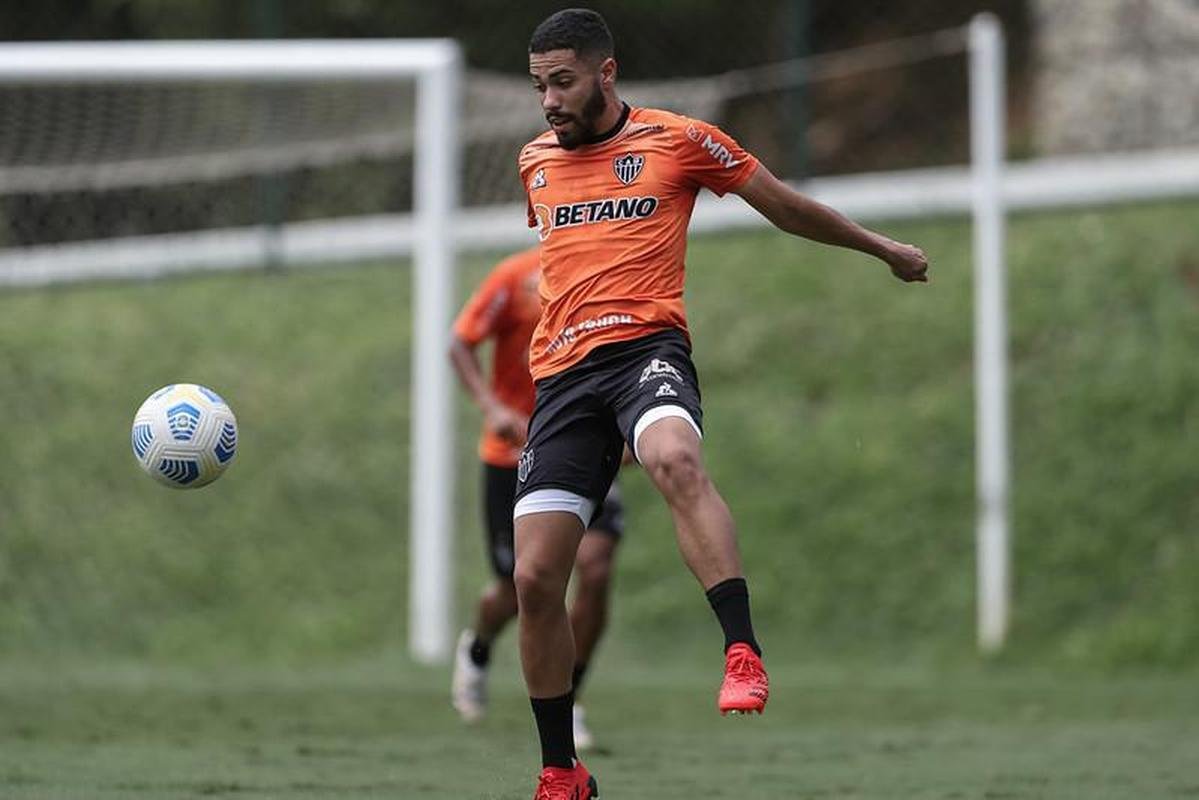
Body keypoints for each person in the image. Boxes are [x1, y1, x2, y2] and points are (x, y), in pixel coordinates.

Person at [513, 9, 931, 798]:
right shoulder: (534, 161)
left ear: (606, 74)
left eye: (561, 82)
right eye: (540, 86)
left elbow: (785, 207)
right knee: (536, 581)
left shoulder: (678, 141)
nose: (548, 102)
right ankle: (561, 770)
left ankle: (740, 651)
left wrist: (882, 249)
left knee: (672, 456)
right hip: (562, 383)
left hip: (646, 354)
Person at [448, 244, 625, 751]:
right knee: (514, 588)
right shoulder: (514, 277)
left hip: (584, 446)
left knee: (595, 569)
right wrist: (493, 408)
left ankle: (569, 701)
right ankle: (479, 649)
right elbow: (460, 343)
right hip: (514, 454)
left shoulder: (611, 264)